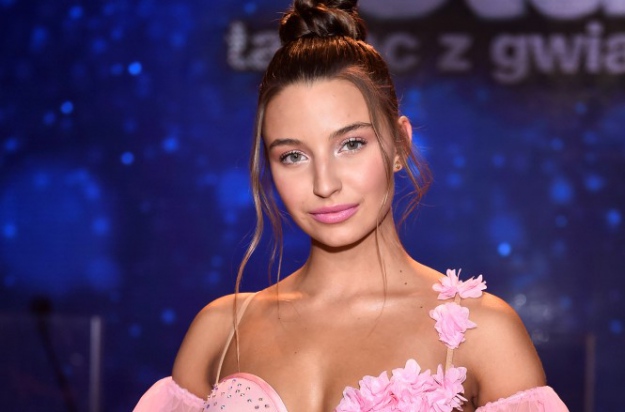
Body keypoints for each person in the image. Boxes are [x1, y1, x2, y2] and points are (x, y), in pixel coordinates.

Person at [134, 0, 569, 410]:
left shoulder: (482, 334)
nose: (325, 184)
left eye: (351, 144)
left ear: (399, 145)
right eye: (293, 156)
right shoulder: (220, 332)